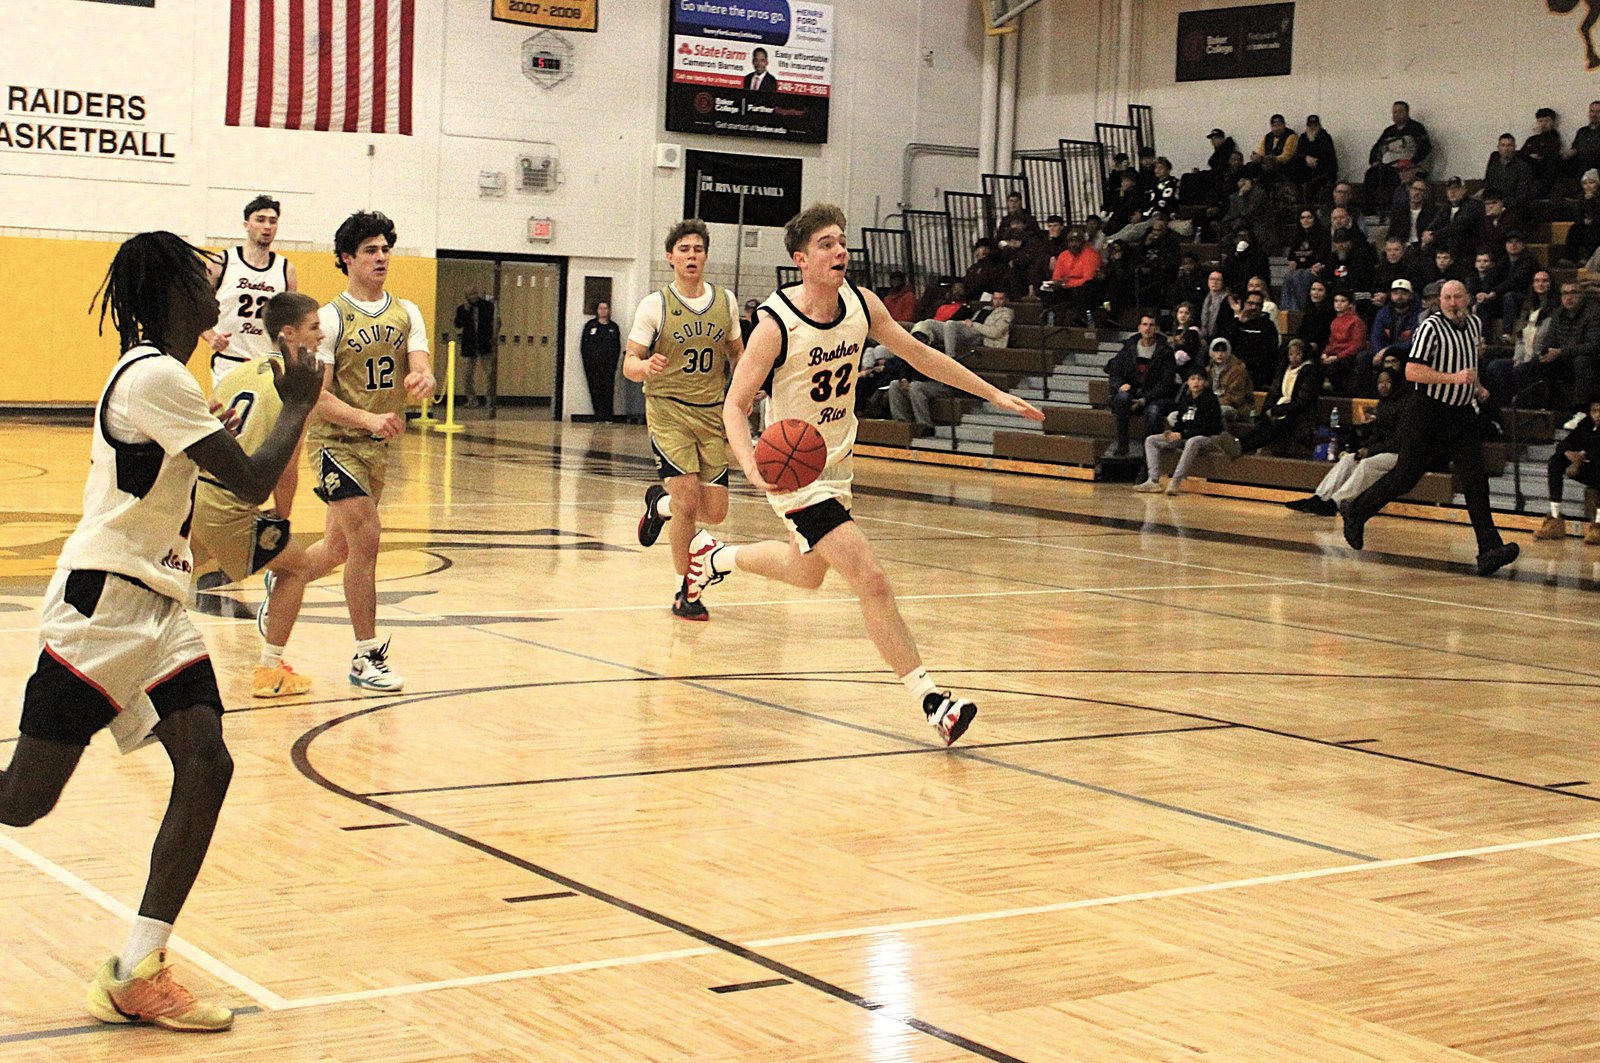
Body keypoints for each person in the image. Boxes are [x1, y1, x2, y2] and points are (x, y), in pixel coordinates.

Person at [0, 231, 321, 1032]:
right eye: (203, 276)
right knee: (23, 800)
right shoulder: (154, 375)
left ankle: (137, 967)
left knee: (207, 763)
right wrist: (301, 404)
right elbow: (248, 479)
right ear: (173, 291)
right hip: (104, 608)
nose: (218, 286)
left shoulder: (170, 379)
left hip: (158, 605)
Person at [688, 203, 1044, 746]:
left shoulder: (861, 304)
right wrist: (752, 467)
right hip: (793, 471)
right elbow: (735, 406)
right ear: (801, 259)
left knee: (805, 573)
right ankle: (933, 700)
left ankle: (713, 557)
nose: (840, 252)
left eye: (842, 241)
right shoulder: (774, 325)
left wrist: (995, 394)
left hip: (838, 463)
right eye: (827, 244)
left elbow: (919, 354)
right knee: (870, 577)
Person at [305, 211, 435, 691]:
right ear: (347, 259)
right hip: (336, 444)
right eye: (370, 250)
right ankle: (365, 656)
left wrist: (423, 380)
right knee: (369, 537)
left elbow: (422, 367)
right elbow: (316, 399)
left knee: (338, 549)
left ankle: (287, 582)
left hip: (378, 447)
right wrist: (367, 419)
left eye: (385, 249)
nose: (381, 257)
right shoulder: (330, 318)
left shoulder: (407, 312)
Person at [193, 292, 334, 699]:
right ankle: (270, 671)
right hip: (228, 504)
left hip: (197, 492)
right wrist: (281, 520)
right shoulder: (297, 390)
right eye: (314, 327)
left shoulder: (241, 372)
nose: (321, 334)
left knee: (172, 578)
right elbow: (286, 467)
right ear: (289, 334)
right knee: (296, 567)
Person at [1341, 280, 1520, 577]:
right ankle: (1356, 510)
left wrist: (1476, 385)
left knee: (1475, 479)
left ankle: (1489, 548)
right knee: (1406, 475)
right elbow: (1412, 370)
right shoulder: (1431, 328)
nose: (1452, 303)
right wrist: (1455, 379)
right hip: (1428, 410)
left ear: (1467, 299)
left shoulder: (1474, 324)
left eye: (1457, 297)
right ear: (1440, 301)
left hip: (1461, 414)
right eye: (1447, 298)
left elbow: (1469, 360)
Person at [626, 220, 745, 621]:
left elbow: (737, 355)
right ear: (670, 258)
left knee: (715, 512)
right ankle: (686, 589)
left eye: (698, 249)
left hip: (711, 412)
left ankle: (658, 506)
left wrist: (746, 388)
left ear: (706, 256)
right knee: (689, 502)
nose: (691, 255)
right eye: (684, 249)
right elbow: (629, 364)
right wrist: (645, 366)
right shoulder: (654, 304)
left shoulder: (725, 302)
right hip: (668, 410)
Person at [204, 194, 298, 388]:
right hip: (230, 361)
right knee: (228, 418)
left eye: (272, 221)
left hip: (267, 364)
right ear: (247, 224)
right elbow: (192, 306)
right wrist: (210, 335)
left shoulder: (285, 269)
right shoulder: (222, 262)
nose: (267, 226)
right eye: (260, 220)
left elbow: (290, 321)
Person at [1285, 368, 1409, 515]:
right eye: (1380, 382)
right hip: (1381, 450)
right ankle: (1320, 497)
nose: (1383, 385)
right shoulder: (1383, 404)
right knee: (1348, 460)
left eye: (1387, 382)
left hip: (1399, 454)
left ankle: (1336, 502)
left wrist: (1370, 451)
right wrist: (1364, 448)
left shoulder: (1406, 405)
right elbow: (1378, 434)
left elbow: (1399, 440)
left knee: (1367, 464)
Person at [890, 291, 1013, 432]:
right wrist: (904, 378)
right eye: (995, 298)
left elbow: (995, 332)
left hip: (944, 379)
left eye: (1000, 299)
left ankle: (925, 425)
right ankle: (902, 424)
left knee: (916, 387)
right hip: (965, 334)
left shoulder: (1006, 313)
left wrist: (973, 325)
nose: (997, 302)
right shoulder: (984, 310)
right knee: (894, 385)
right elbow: (906, 365)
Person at [1134, 369, 1224, 495]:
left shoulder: (1211, 400)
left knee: (1193, 441)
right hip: (1185, 436)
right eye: (1192, 379)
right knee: (1151, 440)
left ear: (1205, 382)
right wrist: (1172, 433)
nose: (1196, 382)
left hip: (1207, 439)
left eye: (1199, 379)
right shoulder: (1186, 399)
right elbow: (1181, 423)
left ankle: (1175, 482)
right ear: (1187, 382)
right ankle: (1153, 480)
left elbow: (1210, 428)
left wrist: (1182, 434)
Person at [1107, 312, 1179, 455]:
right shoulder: (1128, 348)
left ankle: (1148, 456)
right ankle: (1122, 444)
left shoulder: (1165, 352)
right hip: (1131, 393)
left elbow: (1166, 383)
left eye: (1151, 325)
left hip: (1154, 398)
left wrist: (1143, 400)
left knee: (1153, 412)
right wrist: (1120, 385)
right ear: (1139, 327)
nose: (1147, 328)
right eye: (1145, 324)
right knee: (1121, 398)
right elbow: (1114, 372)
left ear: (1156, 328)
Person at [1239, 339, 1322, 455]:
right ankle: (1240, 444)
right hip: (1281, 409)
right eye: (1291, 354)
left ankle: (1243, 447)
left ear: (1304, 354)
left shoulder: (1309, 371)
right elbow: (1275, 393)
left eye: (1298, 354)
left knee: (1273, 427)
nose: (1294, 357)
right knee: (1263, 424)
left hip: (1299, 415)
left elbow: (1302, 402)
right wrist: (1270, 409)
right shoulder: (1285, 369)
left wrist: (1277, 410)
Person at [1534, 400, 1600, 543]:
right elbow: (1566, 442)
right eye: (1594, 411)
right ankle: (1556, 518)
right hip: (1586, 467)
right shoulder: (1586, 424)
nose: (1597, 415)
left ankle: (1598, 524)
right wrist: (1567, 452)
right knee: (1555, 461)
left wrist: (1582, 457)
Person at [1364, 101, 1432, 211]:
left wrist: (1412, 162)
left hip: (1409, 167)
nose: (1396, 114)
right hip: (1388, 166)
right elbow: (1377, 148)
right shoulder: (1389, 131)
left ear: (1407, 112)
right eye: (1394, 112)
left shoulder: (1416, 128)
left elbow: (1425, 148)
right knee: (1371, 174)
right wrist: (1374, 161)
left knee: (1394, 178)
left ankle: (1394, 210)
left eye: (1400, 111)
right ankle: (1369, 211)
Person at [452, 288, 498, 408]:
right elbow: (458, 324)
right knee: (467, 375)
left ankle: (490, 401)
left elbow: (494, 321)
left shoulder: (487, 306)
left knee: (490, 373)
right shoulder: (462, 309)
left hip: (485, 344)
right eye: (470, 295)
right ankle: (472, 400)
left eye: (475, 294)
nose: (473, 297)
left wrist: (493, 338)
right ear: (466, 296)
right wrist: (466, 311)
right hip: (469, 345)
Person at [579, 300, 622, 422]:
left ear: (609, 310)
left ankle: (608, 416)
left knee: (608, 390)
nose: (603, 311)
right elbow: (584, 346)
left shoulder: (613, 327)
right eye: (600, 308)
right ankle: (598, 415)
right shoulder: (590, 326)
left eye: (605, 308)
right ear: (597, 311)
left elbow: (617, 346)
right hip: (593, 366)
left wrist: (614, 362)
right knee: (595, 390)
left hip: (608, 366)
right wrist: (587, 361)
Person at [1206, 336, 1255, 426]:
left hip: (1236, 408)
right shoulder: (1209, 369)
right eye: (1216, 351)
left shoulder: (1238, 371)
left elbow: (1235, 398)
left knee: (1220, 411)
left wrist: (1212, 404)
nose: (1220, 354)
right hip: (1213, 404)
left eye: (1223, 351)